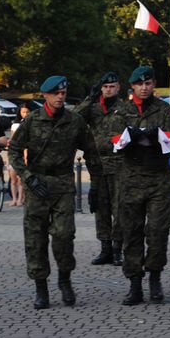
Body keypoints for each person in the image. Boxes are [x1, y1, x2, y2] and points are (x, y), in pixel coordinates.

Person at [9, 75, 103, 310]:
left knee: (64, 235)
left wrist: (96, 185)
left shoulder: (75, 121)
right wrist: (27, 177)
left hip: (62, 183)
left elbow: (91, 151)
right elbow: (13, 150)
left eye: (63, 93)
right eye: (56, 93)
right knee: (35, 238)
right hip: (36, 184)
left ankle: (65, 279)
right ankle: (41, 287)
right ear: (45, 96)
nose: (61, 97)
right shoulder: (32, 121)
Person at [111, 66, 170, 305]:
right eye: (139, 84)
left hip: (157, 180)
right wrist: (132, 139)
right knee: (131, 233)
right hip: (130, 180)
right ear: (132, 86)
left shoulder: (165, 111)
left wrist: (154, 137)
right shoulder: (121, 111)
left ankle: (155, 277)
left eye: (148, 83)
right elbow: (111, 139)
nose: (144, 87)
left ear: (154, 85)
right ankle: (134, 284)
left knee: (158, 231)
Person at [74, 72, 125, 266]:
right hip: (97, 166)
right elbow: (75, 117)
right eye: (105, 87)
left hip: (119, 165)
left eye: (112, 86)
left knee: (119, 209)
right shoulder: (93, 107)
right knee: (100, 208)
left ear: (118, 87)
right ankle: (105, 248)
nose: (108, 89)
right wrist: (90, 97)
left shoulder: (124, 108)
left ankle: (117, 248)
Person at [8, 104, 30, 206]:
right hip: (15, 153)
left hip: (25, 153)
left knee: (21, 179)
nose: (25, 114)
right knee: (13, 179)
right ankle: (14, 199)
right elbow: (12, 140)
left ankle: (21, 198)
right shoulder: (15, 125)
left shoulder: (31, 124)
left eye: (27, 112)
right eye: (23, 112)